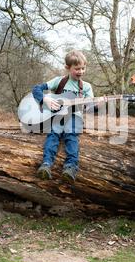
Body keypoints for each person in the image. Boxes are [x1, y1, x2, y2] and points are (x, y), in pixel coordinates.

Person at [32, 50, 93, 183]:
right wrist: (45, 99)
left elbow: (89, 108)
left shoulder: (86, 87)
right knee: (52, 135)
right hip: (57, 117)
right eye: (77, 69)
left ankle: (70, 167)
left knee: (71, 136)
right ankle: (46, 165)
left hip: (74, 118)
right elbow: (36, 89)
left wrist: (96, 105)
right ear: (67, 68)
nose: (81, 71)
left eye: (83, 68)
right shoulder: (59, 81)